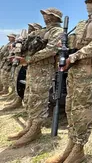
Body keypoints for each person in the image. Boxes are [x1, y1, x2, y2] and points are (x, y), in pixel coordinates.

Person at [45, 0, 92, 163]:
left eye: (91, 2)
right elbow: (77, 43)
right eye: (88, 2)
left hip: (87, 70)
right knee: (71, 108)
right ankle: (71, 145)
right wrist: (65, 45)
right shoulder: (84, 23)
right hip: (75, 71)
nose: (88, 4)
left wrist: (73, 57)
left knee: (81, 110)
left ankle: (79, 149)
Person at [8, 8, 63, 148]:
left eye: (46, 14)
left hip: (44, 70)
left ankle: (35, 130)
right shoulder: (43, 31)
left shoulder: (57, 31)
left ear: (53, 17)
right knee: (30, 98)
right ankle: (30, 126)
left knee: (39, 99)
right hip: (33, 69)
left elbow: (51, 50)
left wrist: (28, 59)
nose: (44, 16)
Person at [2, 23, 43, 111]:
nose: (29, 29)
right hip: (22, 63)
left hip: (30, 64)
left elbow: (33, 53)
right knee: (17, 82)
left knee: (29, 87)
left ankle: (24, 103)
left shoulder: (38, 38)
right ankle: (17, 100)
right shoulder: (26, 39)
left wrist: (26, 59)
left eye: (31, 28)